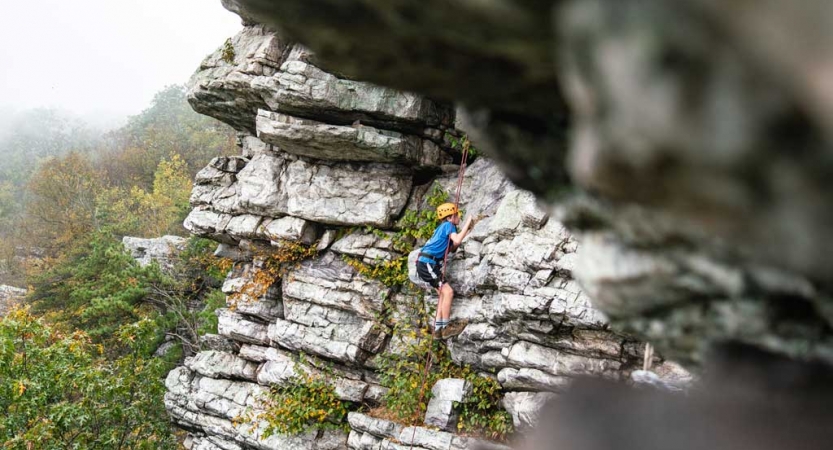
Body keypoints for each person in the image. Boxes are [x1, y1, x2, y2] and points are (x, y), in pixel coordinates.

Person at [416, 202, 474, 339]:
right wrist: (469, 223)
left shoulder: (441, 228)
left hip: (427, 264)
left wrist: (467, 232)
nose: (459, 217)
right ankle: (446, 328)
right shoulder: (449, 226)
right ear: (450, 218)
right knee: (448, 292)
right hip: (428, 263)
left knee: (442, 294)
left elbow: (452, 247)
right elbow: (457, 240)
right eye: (457, 214)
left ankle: (438, 330)